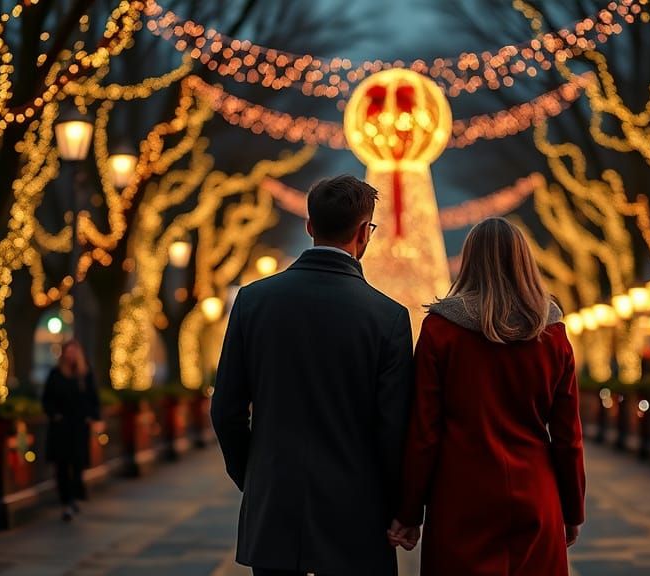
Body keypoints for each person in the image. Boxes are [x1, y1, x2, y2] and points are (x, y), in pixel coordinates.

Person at [212, 175, 413, 576]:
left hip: (274, 507)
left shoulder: (253, 301)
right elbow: (395, 429)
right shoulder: (388, 317)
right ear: (363, 232)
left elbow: (226, 410)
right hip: (356, 514)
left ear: (309, 227)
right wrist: (401, 509)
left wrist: (254, 477)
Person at [390, 217, 586, 576]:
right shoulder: (552, 333)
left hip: (460, 495)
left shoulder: (441, 329)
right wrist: (572, 508)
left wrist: (408, 511)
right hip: (535, 491)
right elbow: (567, 435)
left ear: (469, 261)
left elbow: (424, 432)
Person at [42, 339, 100, 522]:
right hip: (61, 427)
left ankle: (74, 496)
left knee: (78, 463)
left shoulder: (85, 375)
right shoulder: (56, 374)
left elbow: (93, 398)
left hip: (79, 427)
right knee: (61, 465)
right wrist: (54, 414)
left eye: (75, 351)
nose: (72, 355)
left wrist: (93, 417)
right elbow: (47, 398)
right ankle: (66, 501)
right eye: (69, 351)